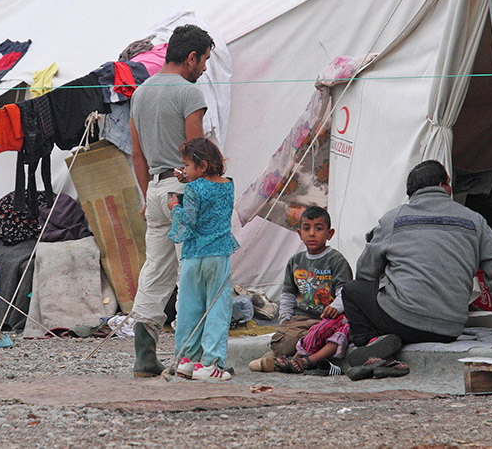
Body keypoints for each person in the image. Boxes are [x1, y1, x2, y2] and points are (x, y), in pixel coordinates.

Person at [342, 160, 492, 368]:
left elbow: (366, 272)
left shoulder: (393, 219)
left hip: (399, 321)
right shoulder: (475, 220)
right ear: (445, 184)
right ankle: (381, 348)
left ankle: (370, 345)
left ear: (411, 193)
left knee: (352, 290)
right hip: (449, 330)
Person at [129, 24, 214, 377]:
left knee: (155, 272)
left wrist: (147, 195)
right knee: (192, 271)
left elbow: (136, 154)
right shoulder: (189, 94)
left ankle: (144, 356)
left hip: (156, 190)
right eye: (205, 60)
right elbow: (195, 155)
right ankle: (190, 357)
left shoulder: (140, 93)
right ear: (191, 57)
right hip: (184, 191)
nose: (205, 68)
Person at [166, 138, 239, 381]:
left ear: (203, 165)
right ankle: (210, 362)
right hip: (218, 255)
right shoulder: (228, 185)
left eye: (186, 165)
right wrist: (190, 180)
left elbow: (187, 223)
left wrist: (175, 206)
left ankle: (186, 359)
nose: (183, 170)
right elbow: (210, 194)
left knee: (189, 308)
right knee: (216, 308)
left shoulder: (193, 189)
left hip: (192, 256)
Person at [249, 206, 352, 372]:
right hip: (300, 319)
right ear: (299, 233)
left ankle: (284, 360)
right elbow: (288, 295)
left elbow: (345, 292)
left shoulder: (336, 260)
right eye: (307, 228)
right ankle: (285, 357)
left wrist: (335, 307)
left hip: (325, 320)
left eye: (318, 229)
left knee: (330, 335)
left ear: (329, 234)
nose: (312, 233)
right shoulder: (295, 261)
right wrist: (285, 321)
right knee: (283, 341)